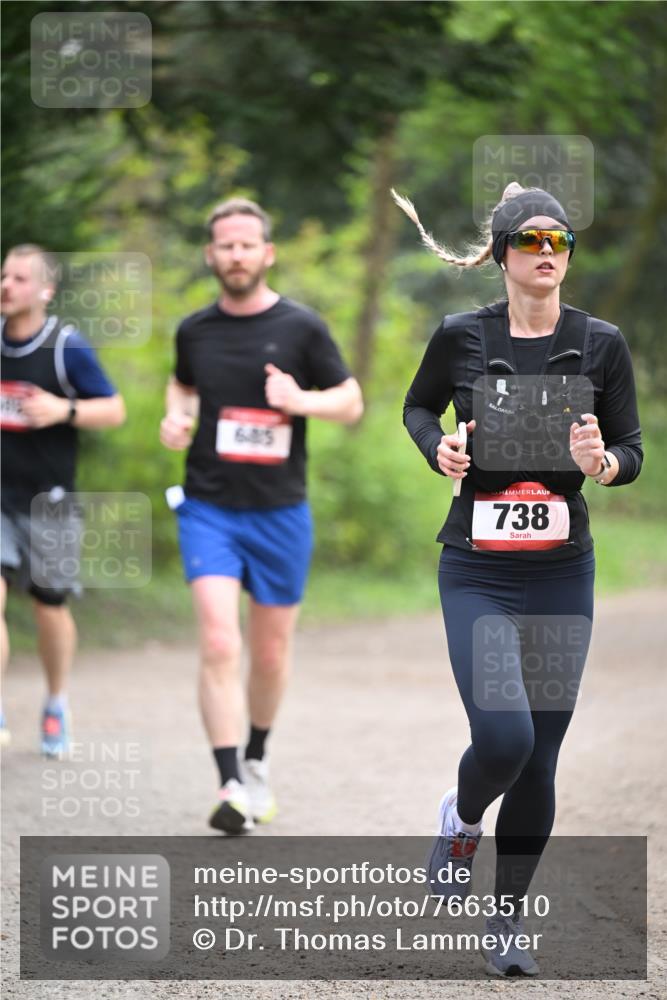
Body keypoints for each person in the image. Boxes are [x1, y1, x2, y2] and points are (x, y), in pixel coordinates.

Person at [396, 182, 642, 976]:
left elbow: (631, 452)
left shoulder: (599, 344)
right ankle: (461, 819)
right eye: (529, 241)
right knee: (503, 738)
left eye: (558, 242)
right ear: (501, 253)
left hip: (561, 568)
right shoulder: (459, 336)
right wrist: (439, 450)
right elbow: (415, 409)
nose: (545, 254)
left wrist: (600, 464)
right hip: (476, 566)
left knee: (540, 757)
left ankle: (504, 923)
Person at [160, 197, 363, 835]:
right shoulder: (194, 330)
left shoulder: (302, 328)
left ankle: (255, 759)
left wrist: (298, 399)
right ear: (211, 254)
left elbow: (351, 402)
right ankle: (228, 783)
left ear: (267, 253)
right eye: (225, 245)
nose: (236, 255)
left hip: (280, 511)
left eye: (247, 244)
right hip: (209, 507)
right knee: (221, 641)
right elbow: (183, 384)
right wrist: (176, 414)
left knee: (269, 654)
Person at [1, 244, 126, 754]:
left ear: (45, 291)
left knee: (49, 606)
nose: (7, 285)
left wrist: (63, 410)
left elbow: (113, 410)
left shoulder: (65, 345)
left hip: (48, 501)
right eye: (3, 275)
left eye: (20, 279)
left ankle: (55, 702)